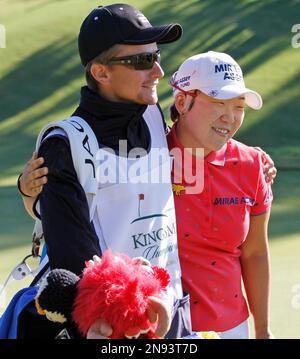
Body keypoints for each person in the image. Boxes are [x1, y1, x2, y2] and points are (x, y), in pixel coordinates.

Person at [1, 4, 191, 339]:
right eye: (142, 61)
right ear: (101, 73)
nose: (158, 70)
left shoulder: (150, 112)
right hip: (110, 327)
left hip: (169, 315)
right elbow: (77, 265)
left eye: (156, 55)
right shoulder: (64, 145)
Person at [167, 51, 274, 339]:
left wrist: (262, 330)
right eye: (217, 103)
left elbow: (254, 253)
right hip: (162, 329)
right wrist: (28, 188)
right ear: (182, 101)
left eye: (238, 106)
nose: (230, 117)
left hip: (231, 328)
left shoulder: (252, 165)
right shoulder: (149, 156)